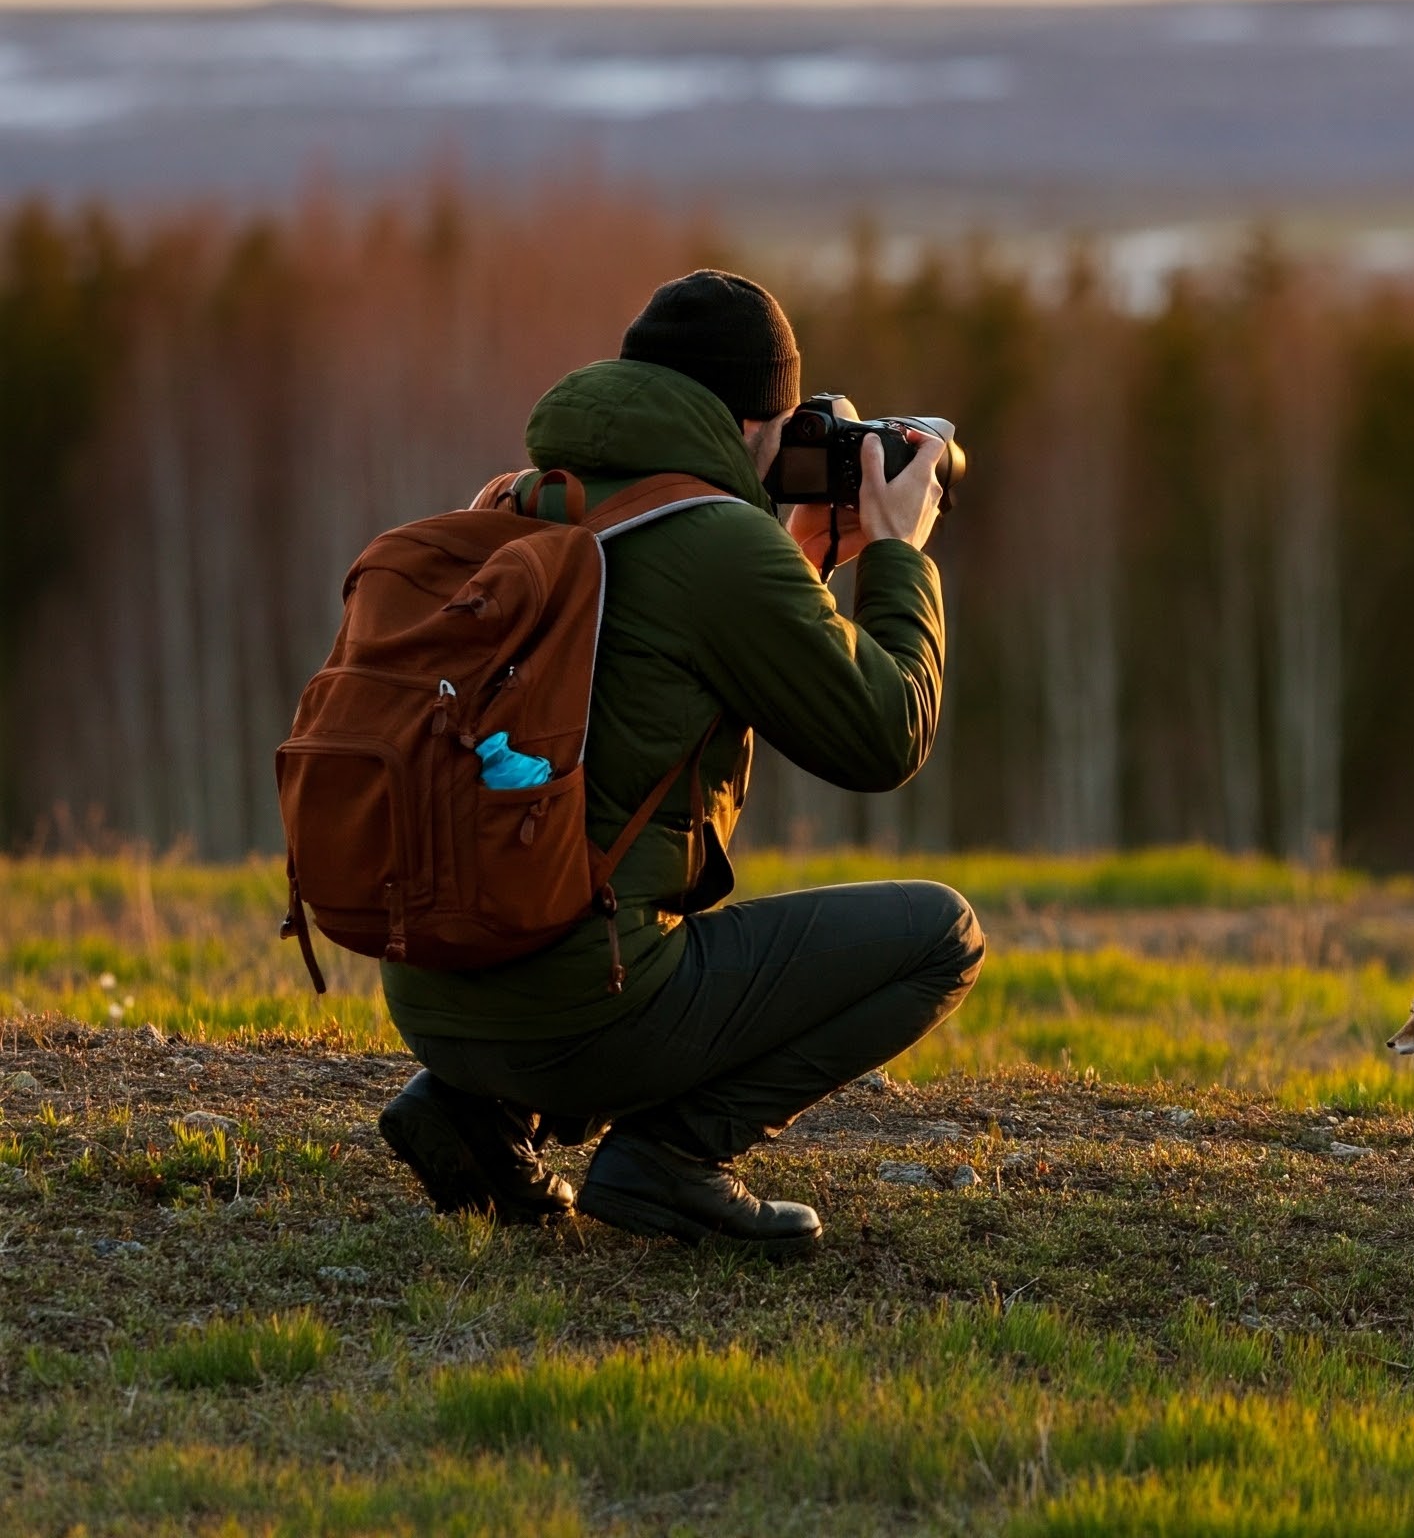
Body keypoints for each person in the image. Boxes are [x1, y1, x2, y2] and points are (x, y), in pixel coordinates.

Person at [375, 269, 981, 1254]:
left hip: (433, 986)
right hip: (582, 1011)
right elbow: (884, 737)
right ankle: (673, 1157)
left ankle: (472, 1107)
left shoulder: (522, 498)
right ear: (755, 420)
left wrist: (798, 563)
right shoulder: (714, 544)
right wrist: (897, 553)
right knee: (938, 936)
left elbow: (660, 693)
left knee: (590, 893)